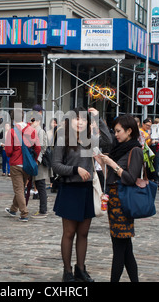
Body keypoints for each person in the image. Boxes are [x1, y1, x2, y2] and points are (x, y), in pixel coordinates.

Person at [52, 107, 111, 282]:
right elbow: (55, 165)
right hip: (70, 189)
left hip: (86, 189)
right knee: (69, 233)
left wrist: (98, 118)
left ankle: (80, 269)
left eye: (83, 119)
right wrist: (75, 170)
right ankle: (67, 271)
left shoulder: (89, 140)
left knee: (83, 233)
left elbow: (108, 141)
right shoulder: (63, 139)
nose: (80, 122)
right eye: (76, 119)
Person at [95, 114, 141, 282]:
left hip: (123, 202)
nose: (116, 134)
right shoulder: (120, 148)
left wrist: (112, 164)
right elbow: (114, 175)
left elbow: (130, 178)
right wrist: (103, 163)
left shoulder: (135, 149)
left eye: (118, 131)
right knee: (125, 248)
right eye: (115, 131)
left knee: (119, 249)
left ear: (129, 131)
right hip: (115, 201)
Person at [4, 108, 41, 222]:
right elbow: (38, 147)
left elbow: (9, 151)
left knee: (19, 189)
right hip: (27, 164)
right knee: (20, 188)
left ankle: (24, 213)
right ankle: (13, 209)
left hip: (16, 163)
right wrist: (34, 159)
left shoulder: (12, 131)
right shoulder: (31, 130)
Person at [30, 104, 49, 219]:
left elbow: (42, 147)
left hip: (39, 162)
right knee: (38, 184)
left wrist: (37, 160)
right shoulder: (35, 130)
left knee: (41, 185)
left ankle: (43, 210)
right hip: (36, 161)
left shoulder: (40, 131)